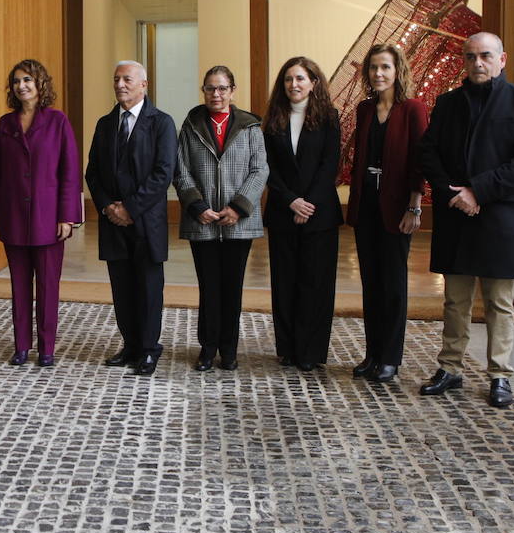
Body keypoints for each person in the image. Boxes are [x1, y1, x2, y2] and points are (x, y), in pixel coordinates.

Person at [419, 31, 514, 408]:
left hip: (500, 214)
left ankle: (500, 375)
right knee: (454, 300)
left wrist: (478, 191)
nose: (478, 63)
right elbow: (428, 152)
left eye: (485, 56)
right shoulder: (447, 102)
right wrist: (454, 194)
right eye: (471, 56)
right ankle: (450, 368)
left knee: (499, 302)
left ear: (502, 59)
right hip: (456, 211)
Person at [0, 59, 82, 367]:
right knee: (19, 285)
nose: (21, 85)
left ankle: (47, 347)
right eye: (16, 81)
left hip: (49, 218)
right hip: (13, 217)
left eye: (27, 79)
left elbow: (69, 171)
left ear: (41, 84)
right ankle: (22, 346)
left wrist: (68, 216)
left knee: (48, 286)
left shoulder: (58, 121)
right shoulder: (5, 124)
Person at [173, 64, 268, 372]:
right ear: (204, 91)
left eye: (222, 88)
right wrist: (196, 204)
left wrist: (239, 206)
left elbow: (260, 169)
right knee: (209, 287)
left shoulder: (251, 126)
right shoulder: (190, 124)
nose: (216, 94)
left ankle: (229, 349)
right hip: (203, 221)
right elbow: (181, 169)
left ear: (232, 91)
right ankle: (207, 347)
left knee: (232, 287)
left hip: (237, 222)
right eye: (210, 88)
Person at [85, 60, 176, 377]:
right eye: (116, 79)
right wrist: (109, 207)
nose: (120, 84)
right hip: (113, 223)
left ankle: (150, 349)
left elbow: (163, 173)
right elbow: (92, 172)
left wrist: (130, 209)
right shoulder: (104, 124)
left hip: (146, 223)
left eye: (127, 79)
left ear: (144, 85)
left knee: (149, 288)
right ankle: (131, 345)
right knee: (122, 288)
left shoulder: (161, 123)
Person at [346, 44, 429, 382]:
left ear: (398, 71)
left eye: (385, 67)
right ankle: (372, 353)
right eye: (373, 68)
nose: (378, 74)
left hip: (397, 208)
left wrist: (415, 206)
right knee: (371, 283)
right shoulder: (364, 109)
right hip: (366, 205)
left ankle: (391, 358)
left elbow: (419, 162)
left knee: (393, 285)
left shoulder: (413, 109)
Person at [262, 56, 342, 371]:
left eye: (300, 78)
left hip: (319, 213)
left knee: (316, 284)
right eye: (288, 79)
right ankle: (288, 349)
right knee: (285, 282)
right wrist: (290, 200)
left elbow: (330, 165)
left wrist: (307, 203)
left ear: (313, 83)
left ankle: (311, 352)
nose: (293, 85)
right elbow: (266, 167)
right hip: (283, 212)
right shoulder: (272, 120)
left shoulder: (329, 117)